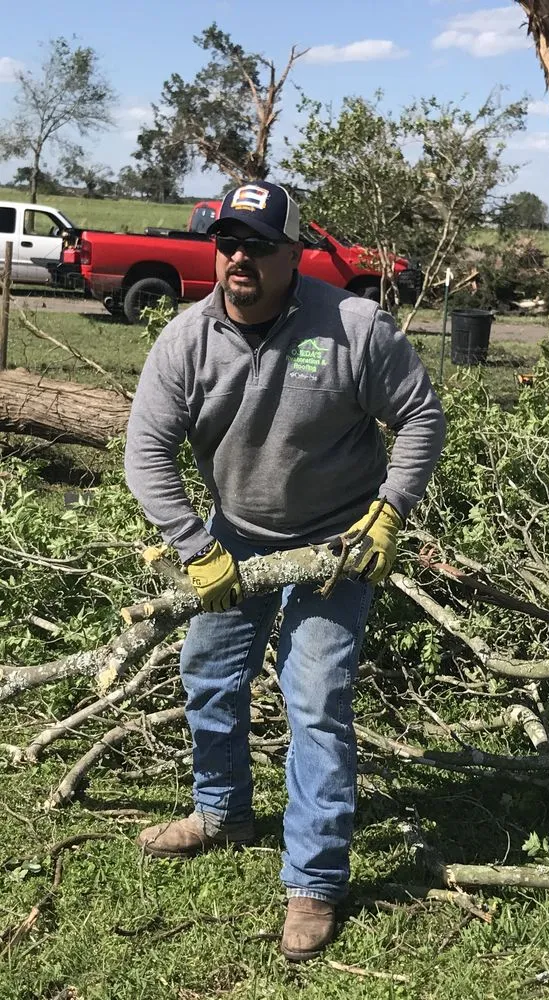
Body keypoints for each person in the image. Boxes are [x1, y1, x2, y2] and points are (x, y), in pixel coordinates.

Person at [124, 181, 446, 962]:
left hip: (341, 546)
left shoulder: (353, 326)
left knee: (315, 703)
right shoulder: (186, 340)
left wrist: (393, 510)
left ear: (293, 253)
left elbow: (421, 416)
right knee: (207, 677)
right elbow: (145, 454)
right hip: (232, 538)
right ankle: (222, 811)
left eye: (260, 244)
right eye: (228, 240)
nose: (240, 256)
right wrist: (195, 547)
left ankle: (314, 880)